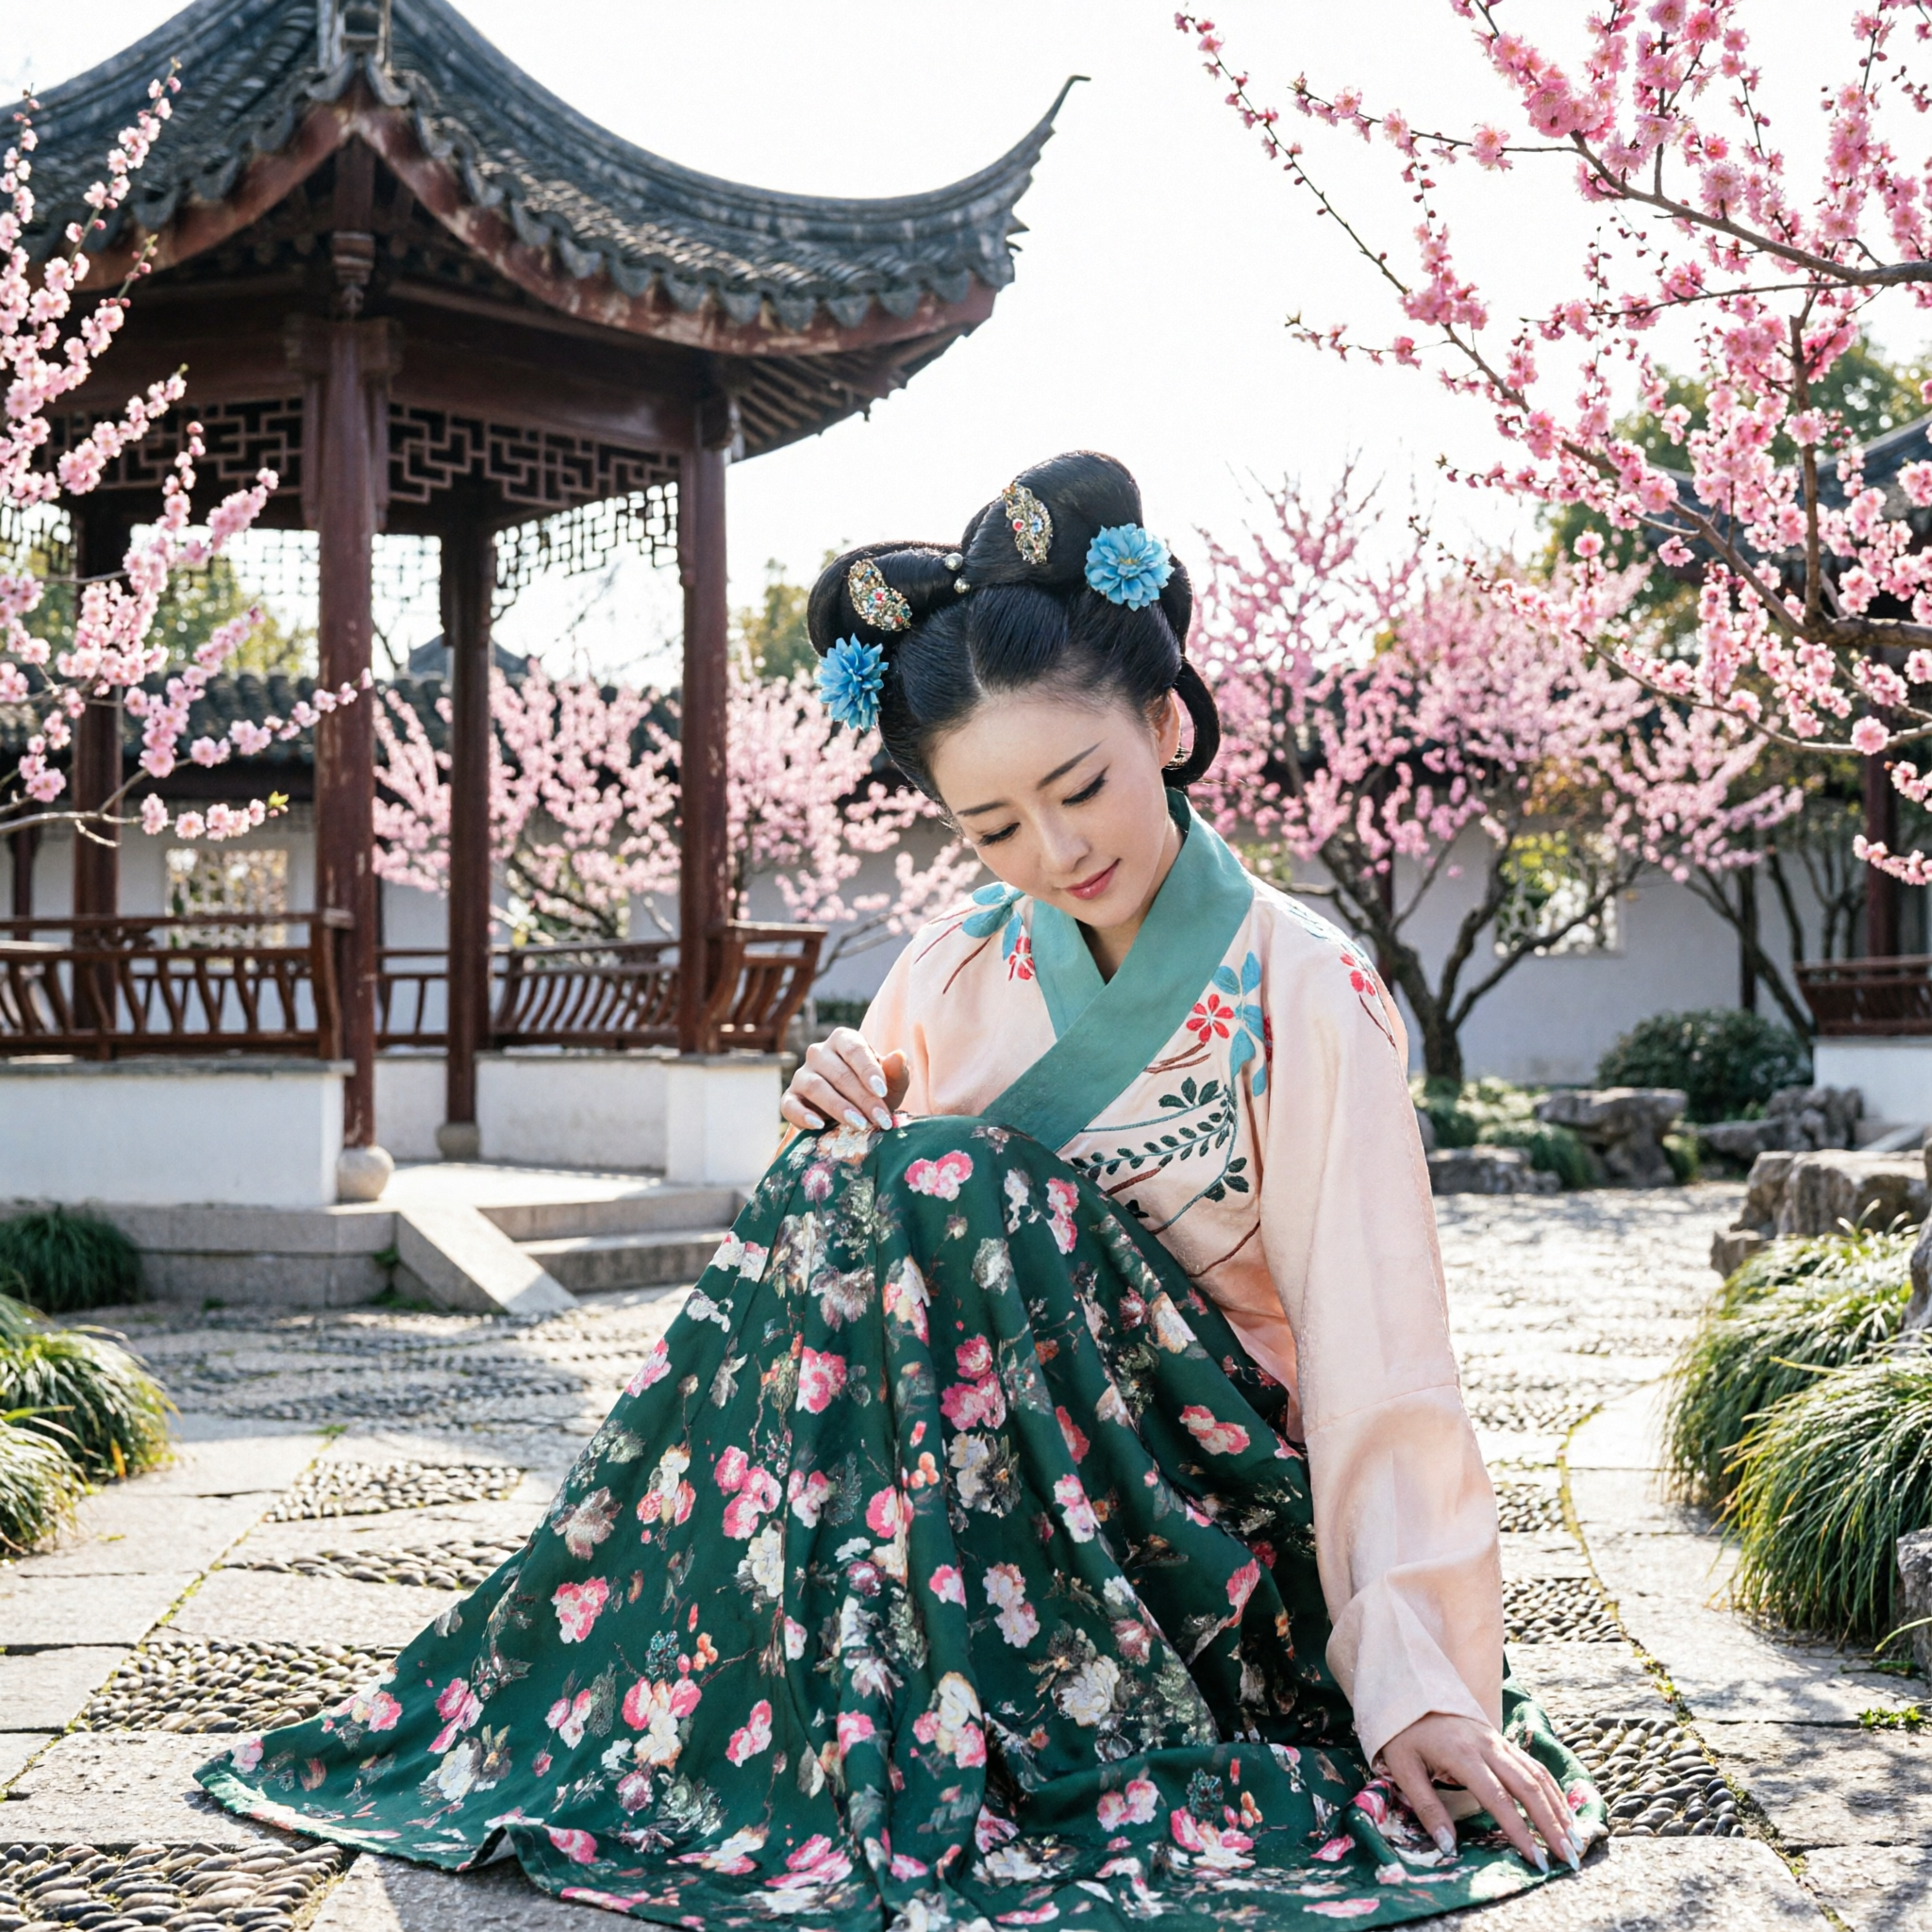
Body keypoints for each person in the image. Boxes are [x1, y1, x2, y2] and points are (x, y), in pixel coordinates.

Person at [198, 452, 1604, 1930]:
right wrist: (825, 1123)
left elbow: (1382, 1357)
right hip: (996, 1519)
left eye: (1083, 789)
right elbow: (867, 1285)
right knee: (863, 1184)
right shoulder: (948, 971)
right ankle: (797, 1688)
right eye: (994, 830)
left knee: (940, 1176)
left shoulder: (1305, 991)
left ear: (1170, 721)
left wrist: (1419, 1688)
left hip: (1214, 1526)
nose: (1056, 854)